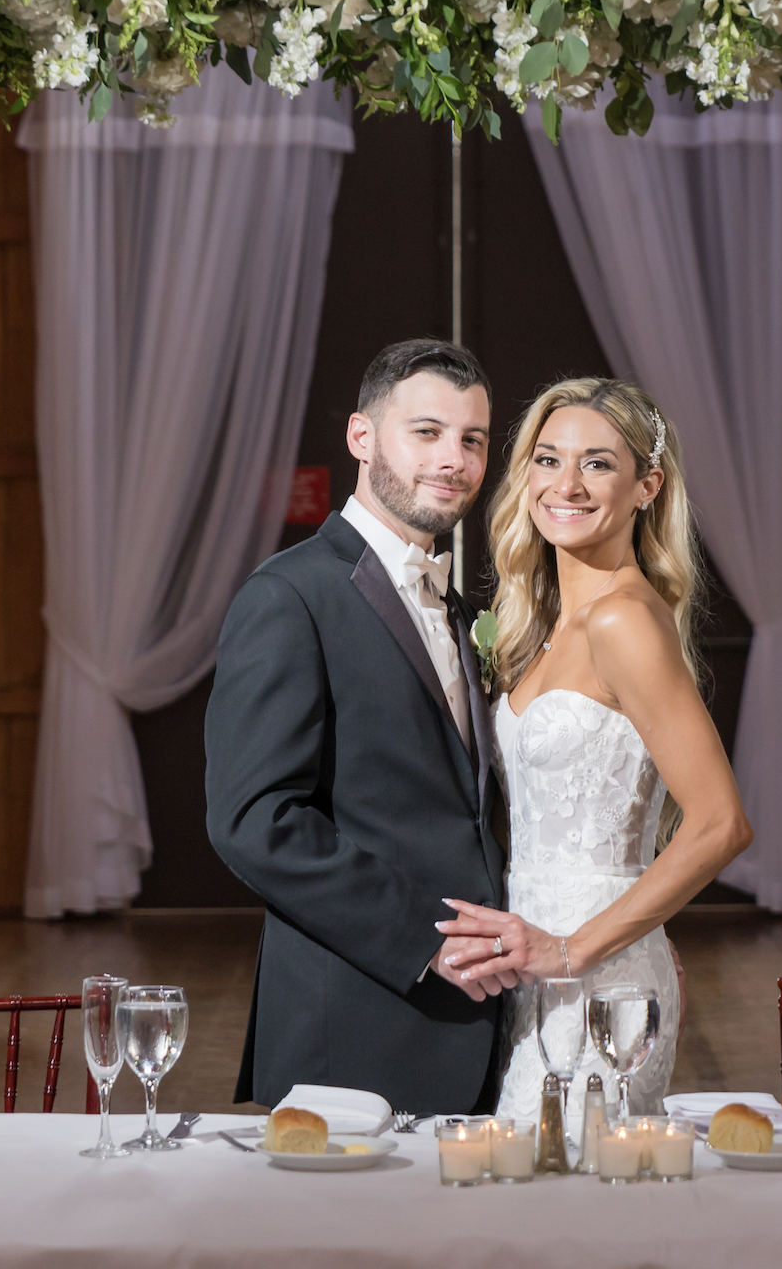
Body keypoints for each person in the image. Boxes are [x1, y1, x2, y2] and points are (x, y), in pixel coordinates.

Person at [433, 377, 752, 1117]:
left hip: (596, 972)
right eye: (548, 459)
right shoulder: (535, 628)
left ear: (648, 485)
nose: (566, 485)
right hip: (531, 963)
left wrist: (576, 951)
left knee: (576, 1204)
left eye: (598, 464)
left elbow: (720, 823)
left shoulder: (624, 623)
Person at [205, 339, 507, 1114]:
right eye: (427, 432)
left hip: (491, 1023)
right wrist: (427, 938)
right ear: (361, 437)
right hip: (356, 1025)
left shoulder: (465, 610)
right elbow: (254, 821)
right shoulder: (287, 597)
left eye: (472, 440)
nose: (454, 459)